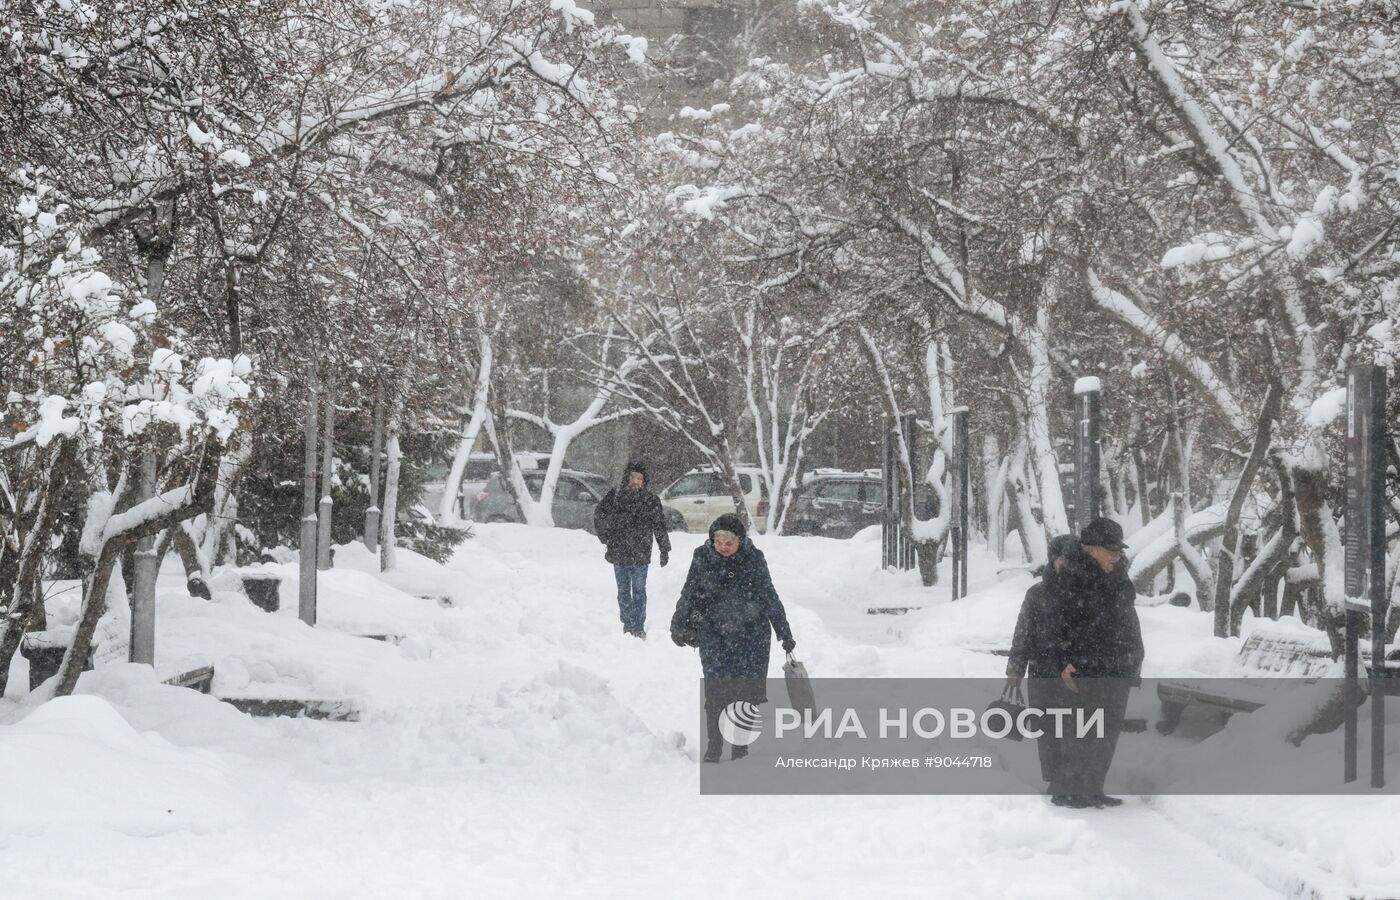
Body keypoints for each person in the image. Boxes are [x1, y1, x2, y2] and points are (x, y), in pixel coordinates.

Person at [670, 513, 796, 763]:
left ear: (741, 541)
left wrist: (784, 632)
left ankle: (740, 747)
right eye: (718, 542)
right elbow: (690, 591)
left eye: (729, 543)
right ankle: (714, 746)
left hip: (751, 636)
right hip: (714, 634)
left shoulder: (754, 559)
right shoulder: (702, 556)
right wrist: (678, 623)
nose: (723, 547)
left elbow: (769, 595)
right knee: (716, 690)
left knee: (744, 693)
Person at [1050, 517, 1144, 809]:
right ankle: (1069, 790)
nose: (1116, 555)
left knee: (1107, 731)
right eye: (1110, 550)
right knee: (1081, 730)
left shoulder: (1118, 576)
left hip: (1118, 666)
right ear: (1091, 548)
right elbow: (1055, 624)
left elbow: (1127, 619)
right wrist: (1062, 661)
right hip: (1084, 667)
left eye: (1118, 550)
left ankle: (1093, 787)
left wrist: (1134, 658)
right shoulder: (1071, 576)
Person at [1006, 534, 1082, 791]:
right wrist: (1016, 668)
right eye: (1065, 560)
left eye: (1075, 560)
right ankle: (1055, 778)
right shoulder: (1037, 594)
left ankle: (1073, 777)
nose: (1070, 566)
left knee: (1074, 726)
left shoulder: (1086, 592)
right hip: (1043, 671)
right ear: (1053, 560)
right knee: (1047, 728)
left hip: (1076, 671)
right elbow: (1023, 633)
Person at [594, 461, 671, 639]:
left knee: (638, 591)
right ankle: (627, 624)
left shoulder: (651, 500)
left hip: (640, 553)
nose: (635, 482)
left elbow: (659, 525)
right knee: (623, 592)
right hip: (619, 552)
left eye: (639, 479)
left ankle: (638, 626)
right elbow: (599, 515)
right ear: (627, 478)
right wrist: (605, 537)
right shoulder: (615, 496)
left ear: (644, 481)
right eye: (633, 478)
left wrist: (664, 549)